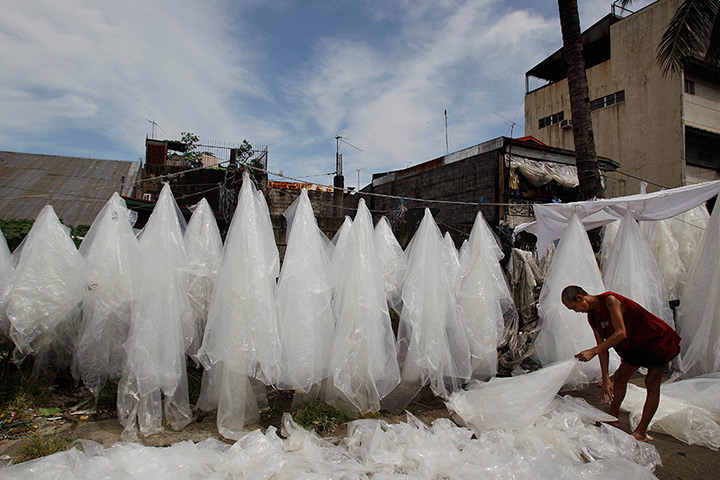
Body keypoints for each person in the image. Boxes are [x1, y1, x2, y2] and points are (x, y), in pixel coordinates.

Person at [561, 285, 681, 442]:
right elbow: (602, 349)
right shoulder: (592, 316)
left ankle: (642, 431)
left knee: (652, 383)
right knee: (620, 378)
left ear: (580, 298)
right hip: (635, 345)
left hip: (656, 341)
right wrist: (605, 378)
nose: (576, 311)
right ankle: (612, 417)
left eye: (574, 307)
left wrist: (593, 351)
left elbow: (620, 333)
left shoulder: (610, 301)